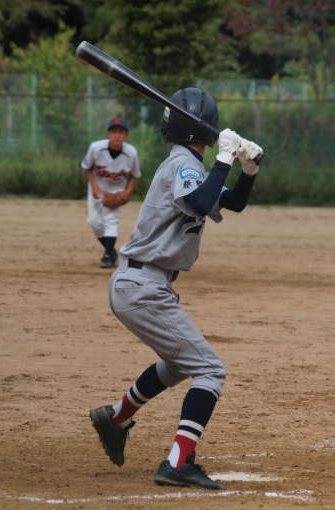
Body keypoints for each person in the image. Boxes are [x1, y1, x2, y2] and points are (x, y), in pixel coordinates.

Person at [88, 87, 263, 490]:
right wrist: (224, 159)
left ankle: (116, 417)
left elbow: (230, 202)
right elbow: (200, 203)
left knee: (181, 363)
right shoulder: (184, 164)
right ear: (208, 128)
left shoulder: (189, 167)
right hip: (143, 285)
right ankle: (178, 462)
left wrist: (249, 170)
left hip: (143, 285)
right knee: (210, 371)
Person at [81, 117, 141, 269]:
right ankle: (111, 250)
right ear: (108, 134)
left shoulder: (131, 152)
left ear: (126, 135)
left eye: (121, 132)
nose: (117, 135)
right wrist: (94, 186)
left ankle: (108, 255)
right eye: (114, 131)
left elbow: (134, 175)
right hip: (97, 186)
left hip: (116, 190)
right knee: (94, 221)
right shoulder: (96, 148)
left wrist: (128, 191)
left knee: (111, 220)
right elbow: (87, 168)